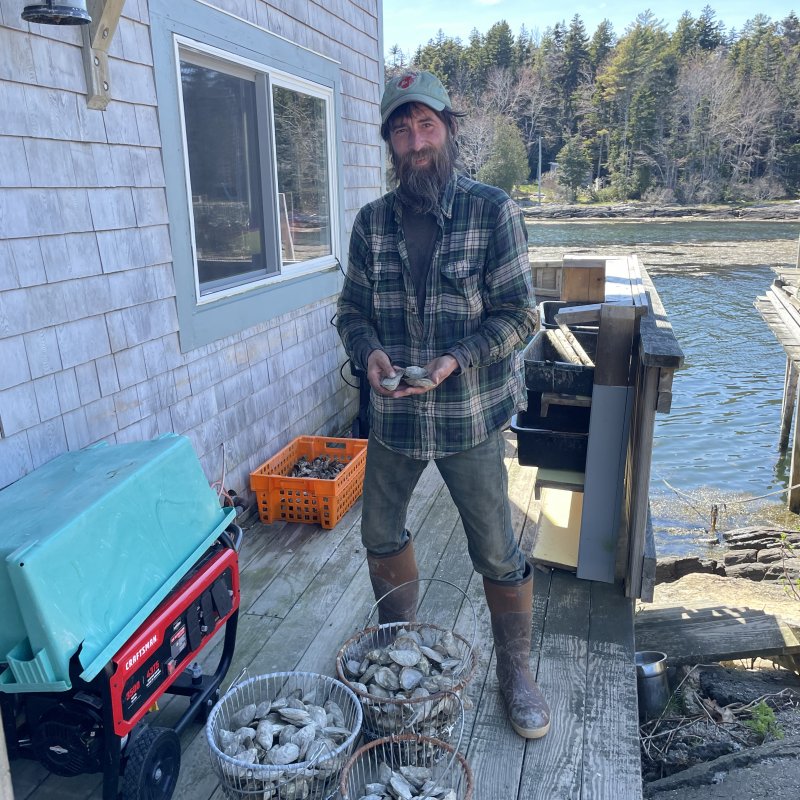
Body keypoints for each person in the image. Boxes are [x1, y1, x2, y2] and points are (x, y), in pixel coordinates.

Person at [336, 70, 550, 739]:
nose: (415, 140)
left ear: (449, 129)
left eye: (426, 124)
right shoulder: (372, 223)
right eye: (402, 129)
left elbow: (522, 317)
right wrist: (366, 352)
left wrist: (457, 357)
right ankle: (398, 641)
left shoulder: (494, 211)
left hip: (471, 418)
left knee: (495, 552)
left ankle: (516, 671)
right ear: (390, 144)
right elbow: (351, 312)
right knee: (379, 535)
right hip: (395, 416)